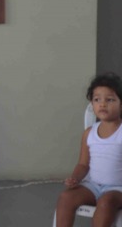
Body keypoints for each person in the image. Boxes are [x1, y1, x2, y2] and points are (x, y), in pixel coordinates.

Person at [55, 72, 122, 227]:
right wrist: (76, 179)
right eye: (97, 99)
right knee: (66, 198)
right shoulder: (89, 133)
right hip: (93, 186)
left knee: (106, 202)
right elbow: (83, 164)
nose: (103, 104)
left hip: (118, 189)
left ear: (121, 104)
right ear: (92, 104)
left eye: (110, 100)